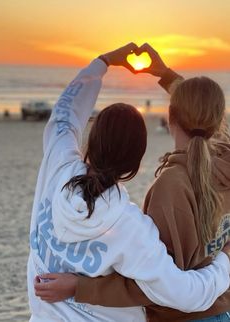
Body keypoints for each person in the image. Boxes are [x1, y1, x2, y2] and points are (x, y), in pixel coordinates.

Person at [29, 43, 230, 322]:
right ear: (136, 163)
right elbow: (183, 291)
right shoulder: (130, 225)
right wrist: (225, 258)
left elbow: (64, 114)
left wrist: (103, 61)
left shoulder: (57, 165)